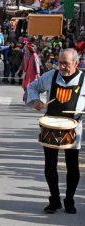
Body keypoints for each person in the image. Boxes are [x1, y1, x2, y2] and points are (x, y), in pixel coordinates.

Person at [27, 49, 82, 214]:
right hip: (50, 126)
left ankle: (70, 200)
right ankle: (55, 199)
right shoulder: (51, 75)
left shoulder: (84, 80)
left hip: (73, 128)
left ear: (76, 63)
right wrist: (36, 101)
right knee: (50, 165)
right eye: (60, 63)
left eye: (66, 63)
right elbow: (32, 87)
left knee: (72, 166)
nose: (62, 67)